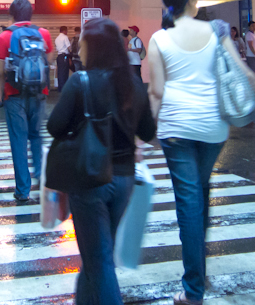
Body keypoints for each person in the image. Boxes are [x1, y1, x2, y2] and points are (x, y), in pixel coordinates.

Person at [47, 17, 155, 305]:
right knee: (98, 255)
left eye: (81, 45)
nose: (78, 51)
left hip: (90, 178)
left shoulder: (80, 82)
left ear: (93, 49)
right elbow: (148, 131)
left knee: (99, 260)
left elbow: (55, 126)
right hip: (124, 181)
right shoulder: (132, 83)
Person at [148, 0, 229, 305]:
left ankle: (194, 288)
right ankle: (199, 271)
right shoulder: (215, 32)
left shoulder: (159, 39)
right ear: (194, 0)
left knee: (189, 204)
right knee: (201, 190)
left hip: (177, 129)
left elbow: (156, 91)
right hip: (214, 128)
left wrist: (149, 132)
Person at [0, 0, 53, 202]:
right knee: (36, 136)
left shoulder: (4, 37)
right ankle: (42, 180)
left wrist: (0, 93)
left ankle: (22, 190)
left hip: (14, 95)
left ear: (11, 15)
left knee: (19, 140)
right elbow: (49, 61)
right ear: (31, 15)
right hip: (39, 94)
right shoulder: (43, 33)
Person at [55, 26, 71, 91]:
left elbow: (57, 48)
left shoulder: (56, 38)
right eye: (66, 31)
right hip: (64, 56)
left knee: (60, 72)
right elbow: (69, 47)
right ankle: (64, 88)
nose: (67, 32)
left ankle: (60, 88)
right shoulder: (65, 37)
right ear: (64, 31)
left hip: (59, 56)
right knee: (64, 72)